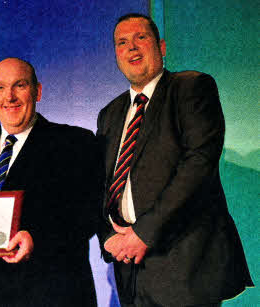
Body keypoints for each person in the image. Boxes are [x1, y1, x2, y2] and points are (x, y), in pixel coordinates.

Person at [96, 13, 253, 306]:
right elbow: (101, 183)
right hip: (129, 268)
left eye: (141, 38)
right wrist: (108, 237)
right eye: (122, 42)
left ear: (162, 46)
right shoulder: (110, 113)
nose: (131, 47)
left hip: (183, 264)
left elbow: (198, 165)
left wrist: (142, 234)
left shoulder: (191, 88)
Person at [0, 57, 103, 307]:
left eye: (19, 85)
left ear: (37, 91)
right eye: (0, 88)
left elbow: (89, 215)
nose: (9, 97)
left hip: (50, 294)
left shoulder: (76, 143)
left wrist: (37, 239)